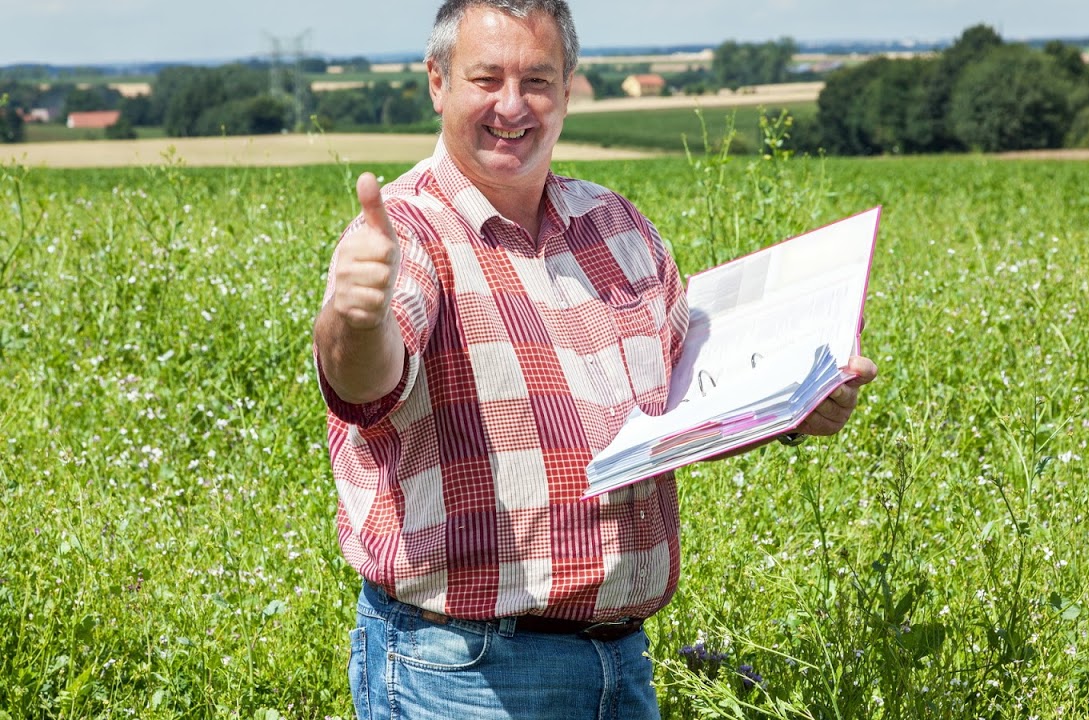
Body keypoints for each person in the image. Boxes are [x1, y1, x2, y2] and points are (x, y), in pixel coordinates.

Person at [312, 1, 878, 717]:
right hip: (463, 674)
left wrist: (797, 407)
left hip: (620, 661)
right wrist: (352, 319)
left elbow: (689, 404)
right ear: (437, 83)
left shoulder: (618, 227)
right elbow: (365, 382)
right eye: (486, 78)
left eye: (538, 81)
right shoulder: (409, 235)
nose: (512, 106)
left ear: (569, 88)